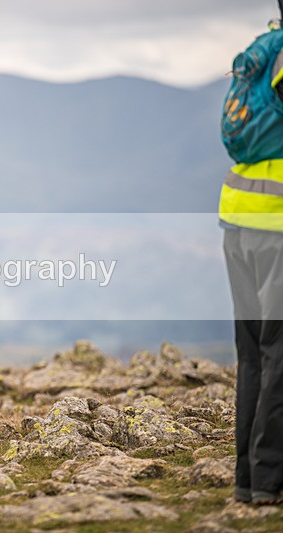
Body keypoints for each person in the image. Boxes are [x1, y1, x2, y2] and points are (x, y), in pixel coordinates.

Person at [220, 24, 283, 504]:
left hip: (240, 217)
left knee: (254, 355)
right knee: (277, 353)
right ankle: (268, 481)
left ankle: (248, 479)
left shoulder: (263, 54)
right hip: (276, 226)